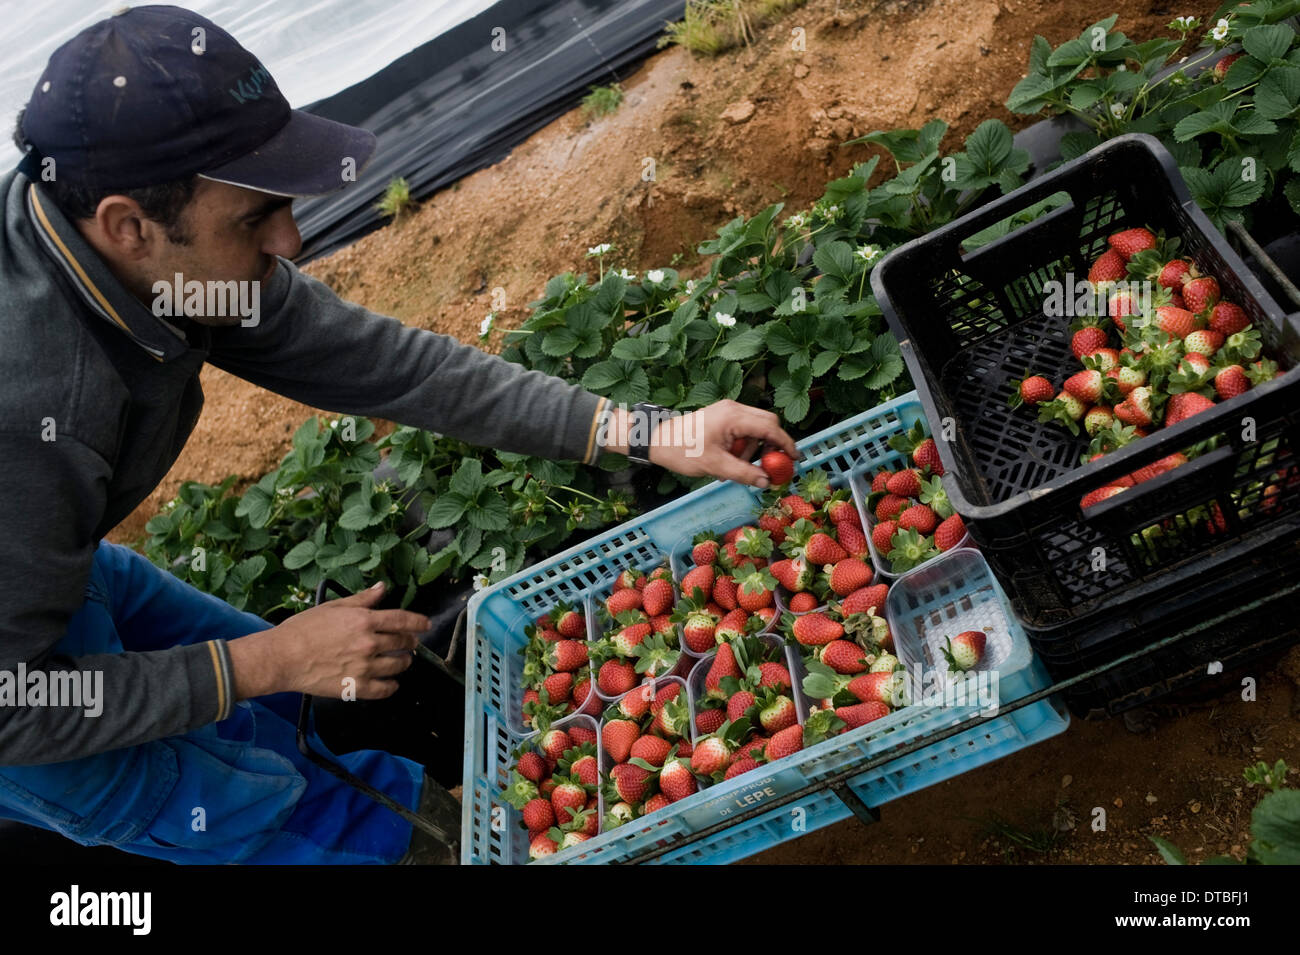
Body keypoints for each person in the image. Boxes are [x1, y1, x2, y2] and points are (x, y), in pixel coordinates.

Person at [0, 5, 799, 864]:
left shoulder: (151, 259)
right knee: (259, 813)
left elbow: (386, 365)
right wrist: (262, 658)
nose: (293, 238)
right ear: (129, 225)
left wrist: (645, 428)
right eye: (255, 217)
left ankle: (452, 839)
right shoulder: (32, 416)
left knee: (289, 713)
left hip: (49, 574)